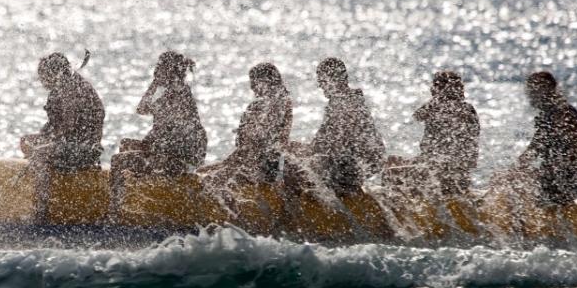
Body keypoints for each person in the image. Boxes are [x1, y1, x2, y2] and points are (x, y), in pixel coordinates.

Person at [110, 50, 207, 208]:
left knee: (117, 160)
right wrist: (154, 85)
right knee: (126, 144)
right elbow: (141, 109)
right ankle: (129, 196)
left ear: (167, 70)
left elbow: (175, 134)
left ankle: (115, 209)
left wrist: (154, 150)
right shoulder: (172, 90)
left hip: (179, 156)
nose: (156, 71)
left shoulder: (178, 94)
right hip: (167, 149)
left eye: (159, 68)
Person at [20, 52, 104, 223]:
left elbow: (68, 126)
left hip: (85, 150)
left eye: (42, 76)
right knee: (29, 142)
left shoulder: (71, 88)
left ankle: (40, 214)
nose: (41, 81)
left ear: (54, 73)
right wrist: (40, 139)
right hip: (71, 145)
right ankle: (43, 187)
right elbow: (56, 128)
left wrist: (43, 144)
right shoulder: (63, 86)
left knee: (40, 153)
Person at [291, 57, 384, 195]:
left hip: (356, 165)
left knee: (299, 168)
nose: (321, 86)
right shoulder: (340, 101)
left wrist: (310, 157)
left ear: (336, 79)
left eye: (322, 81)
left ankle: (296, 207)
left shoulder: (349, 103)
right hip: (349, 161)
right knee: (294, 153)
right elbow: (322, 141)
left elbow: (340, 142)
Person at [383, 71, 480, 196]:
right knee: (393, 160)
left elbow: (419, 115)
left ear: (438, 88)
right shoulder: (463, 108)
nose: (431, 89)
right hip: (436, 167)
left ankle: (403, 208)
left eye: (435, 86)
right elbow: (417, 116)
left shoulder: (457, 109)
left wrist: (437, 100)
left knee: (390, 173)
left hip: (449, 174)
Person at [511, 71, 577, 205]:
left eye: (534, 90)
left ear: (548, 90)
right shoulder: (547, 115)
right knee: (508, 177)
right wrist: (516, 167)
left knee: (516, 181)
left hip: (564, 182)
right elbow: (534, 148)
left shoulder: (564, 114)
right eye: (529, 90)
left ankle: (521, 222)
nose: (530, 95)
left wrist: (547, 171)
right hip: (551, 178)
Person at [205, 62, 293, 187]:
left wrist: (238, 158)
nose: (251, 86)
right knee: (204, 172)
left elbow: (262, 140)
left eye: (254, 81)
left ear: (266, 81)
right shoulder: (276, 102)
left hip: (261, 166)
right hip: (251, 160)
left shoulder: (277, 104)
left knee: (210, 180)